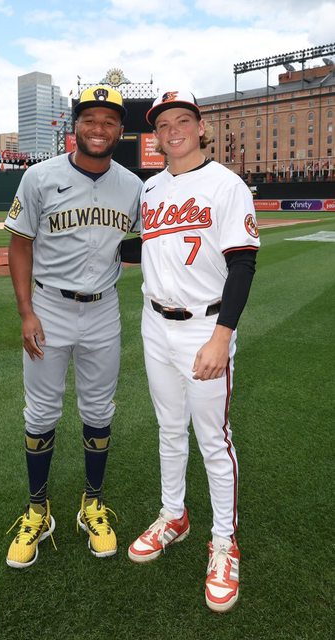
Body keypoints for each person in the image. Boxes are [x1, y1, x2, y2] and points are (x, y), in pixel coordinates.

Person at [128, 89, 260, 613]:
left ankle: (224, 542)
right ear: (156, 135)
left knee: (212, 438)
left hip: (205, 327)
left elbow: (242, 264)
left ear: (201, 127)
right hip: (154, 323)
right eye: (163, 125)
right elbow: (146, 250)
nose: (173, 130)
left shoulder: (227, 185)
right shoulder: (151, 188)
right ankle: (174, 515)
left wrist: (222, 336)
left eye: (183, 120)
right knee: (168, 428)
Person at [4, 85, 142, 568]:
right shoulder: (39, 177)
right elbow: (20, 243)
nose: (99, 128)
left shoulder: (134, 186)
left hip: (103, 310)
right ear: (75, 126)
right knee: (41, 412)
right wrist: (26, 312)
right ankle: (37, 510)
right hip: (49, 307)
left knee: (99, 408)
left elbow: (147, 242)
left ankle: (92, 504)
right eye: (90, 120)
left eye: (109, 121)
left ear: (120, 131)